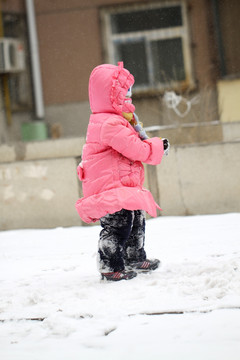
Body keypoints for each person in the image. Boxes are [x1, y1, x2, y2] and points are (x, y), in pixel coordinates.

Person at [75, 62, 169, 281]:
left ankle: (134, 256)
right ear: (110, 96)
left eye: (130, 93)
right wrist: (157, 146)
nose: (130, 98)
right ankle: (110, 264)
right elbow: (135, 149)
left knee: (136, 219)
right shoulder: (109, 123)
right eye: (125, 93)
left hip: (122, 185)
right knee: (119, 226)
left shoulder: (119, 120)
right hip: (110, 187)